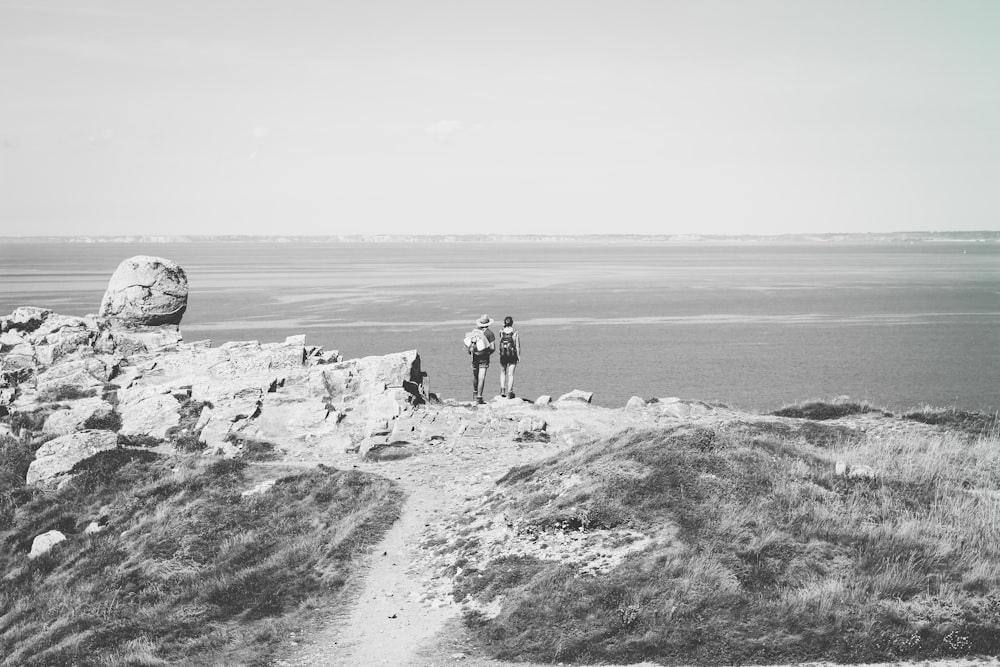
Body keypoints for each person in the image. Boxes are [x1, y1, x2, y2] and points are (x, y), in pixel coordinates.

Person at [466, 314, 495, 404]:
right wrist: (488, 352)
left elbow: (469, 344)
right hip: (484, 357)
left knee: (475, 376)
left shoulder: (474, 332)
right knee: (481, 377)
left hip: (475, 356)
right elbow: (493, 347)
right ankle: (479, 397)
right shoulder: (489, 333)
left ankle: (474, 394)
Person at [498, 315, 521, 399]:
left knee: (503, 372)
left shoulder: (501, 331)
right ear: (512, 323)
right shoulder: (515, 332)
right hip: (512, 355)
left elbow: (500, 341)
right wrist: (518, 356)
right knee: (510, 374)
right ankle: (510, 391)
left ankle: (502, 390)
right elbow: (517, 345)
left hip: (503, 355)